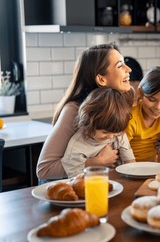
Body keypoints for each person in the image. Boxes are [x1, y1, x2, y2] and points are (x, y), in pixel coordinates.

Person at [37, 43, 133, 181]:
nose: (128, 69)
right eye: (120, 65)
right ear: (101, 79)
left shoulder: (122, 100)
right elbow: (44, 170)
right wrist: (96, 162)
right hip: (66, 188)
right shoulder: (73, 111)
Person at [61, 88, 135, 177]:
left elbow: (130, 163)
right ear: (88, 123)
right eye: (105, 132)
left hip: (117, 181)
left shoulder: (119, 134)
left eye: (115, 133)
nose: (111, 137)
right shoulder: (76, 147)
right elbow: (76, 178)